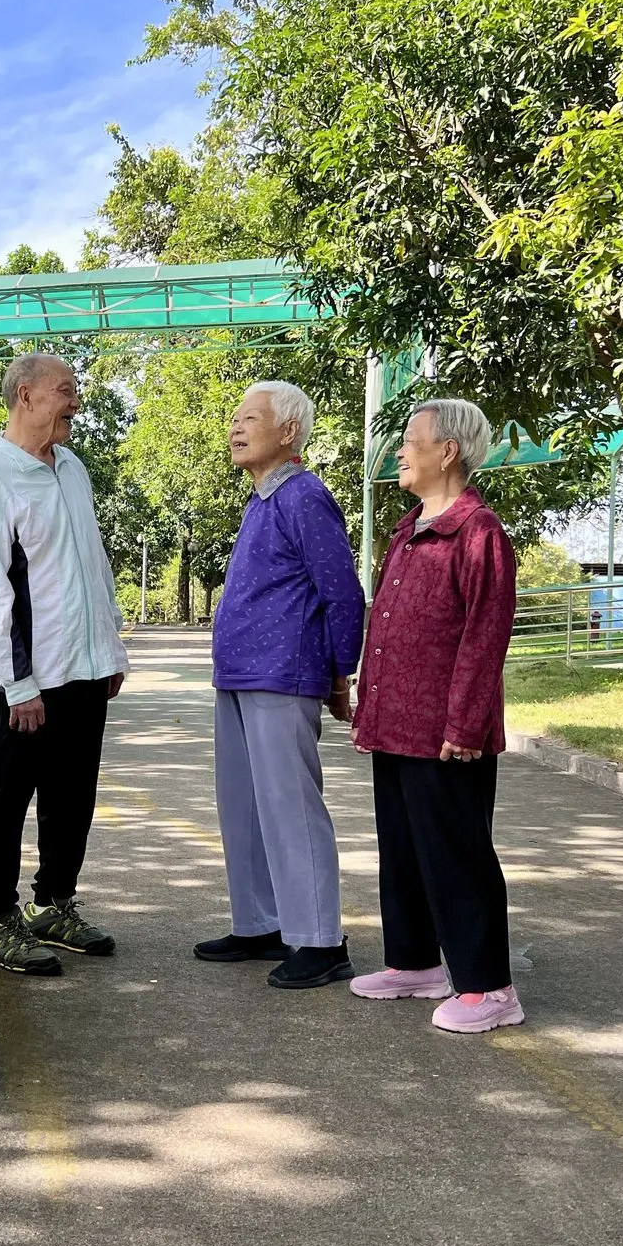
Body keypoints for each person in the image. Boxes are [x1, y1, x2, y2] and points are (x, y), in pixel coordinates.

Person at [349, 398, 523, 1033]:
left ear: (447, 451)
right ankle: (415, 964)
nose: (399, 451)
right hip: (395, 723)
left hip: (447, 732)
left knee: (457, 854)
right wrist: (368, 707)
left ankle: (490, 988)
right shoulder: (408, 529)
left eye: (409, 440)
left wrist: (465, 724)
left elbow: (485, 636)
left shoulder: (478, 532)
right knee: (401, 850)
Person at [0, 352, 127, 977]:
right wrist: (16, 682)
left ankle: (54, 903)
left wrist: (111, 647)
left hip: (85, 668)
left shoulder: (72, 468)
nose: (75, 403)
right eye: (65, 391)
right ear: (25, 395)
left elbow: (94, 562)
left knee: (73, 796)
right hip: (31, 677)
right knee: (7, 800)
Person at [196, 380, 366, 989]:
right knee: (243, 808)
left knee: (291, 809)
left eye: (250, 418)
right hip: (239, 675)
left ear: (289, 430)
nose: (235, 428)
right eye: (234, 418)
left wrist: (341, 673)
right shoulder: (262, 499)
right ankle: (261, 924)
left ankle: (321, 940)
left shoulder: (303, 495)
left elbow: (342, 592)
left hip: (282, 674)